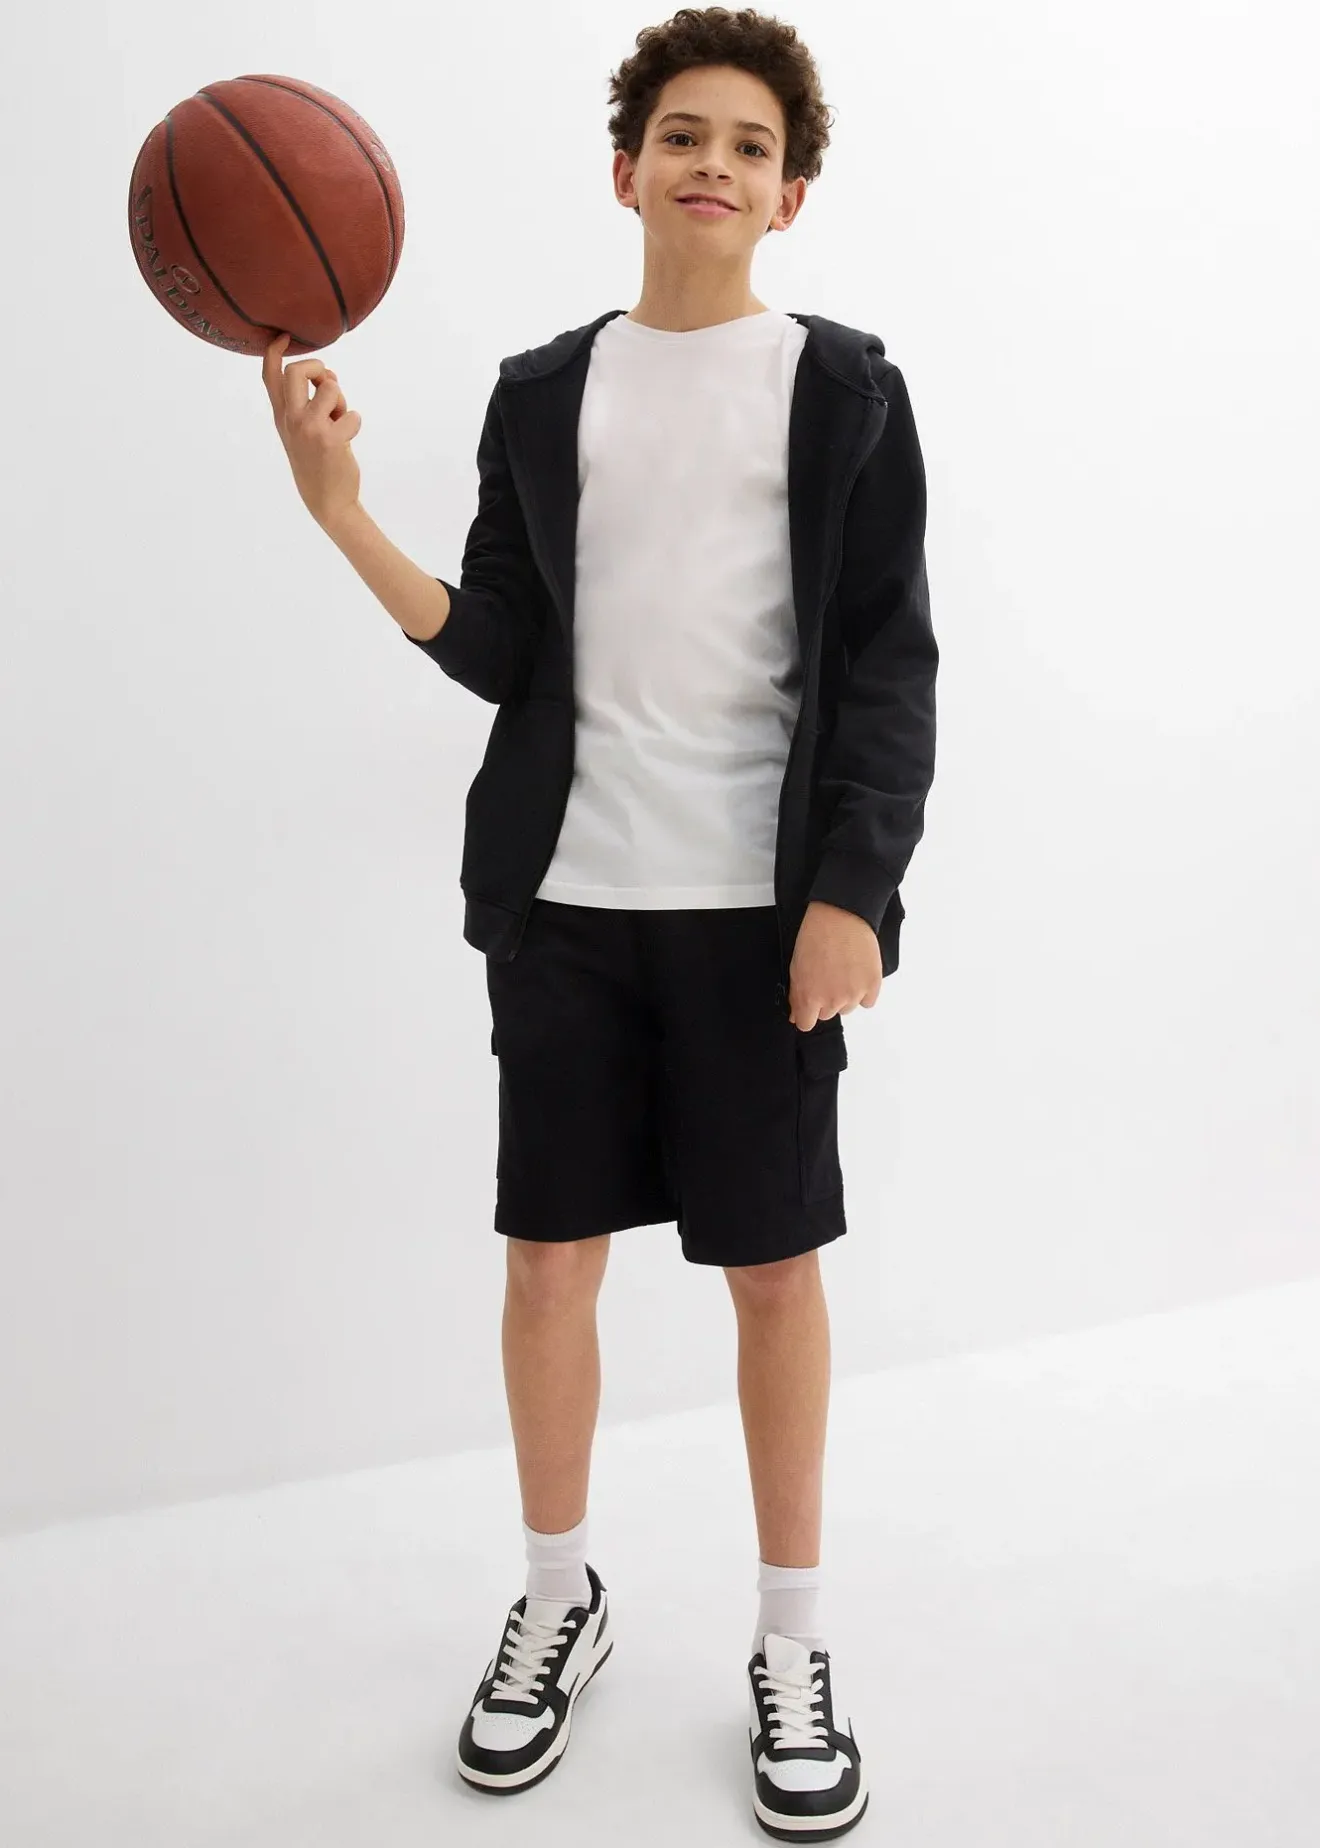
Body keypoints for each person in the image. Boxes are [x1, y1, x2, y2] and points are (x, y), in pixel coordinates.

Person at [263, 10, 937, 1838]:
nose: (714, 163)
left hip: (758, 925)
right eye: (683, 135)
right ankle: (559, 1596)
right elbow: (499, 645)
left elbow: (888, 668)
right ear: (625, 167)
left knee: (771, 1273)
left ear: (792, 196)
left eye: (750, 145)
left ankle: (790, 1639)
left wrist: (851, 896)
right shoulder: (544, 392)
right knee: (549, 1266)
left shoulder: (846, 390)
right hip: (564, 909)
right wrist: (342, 514)